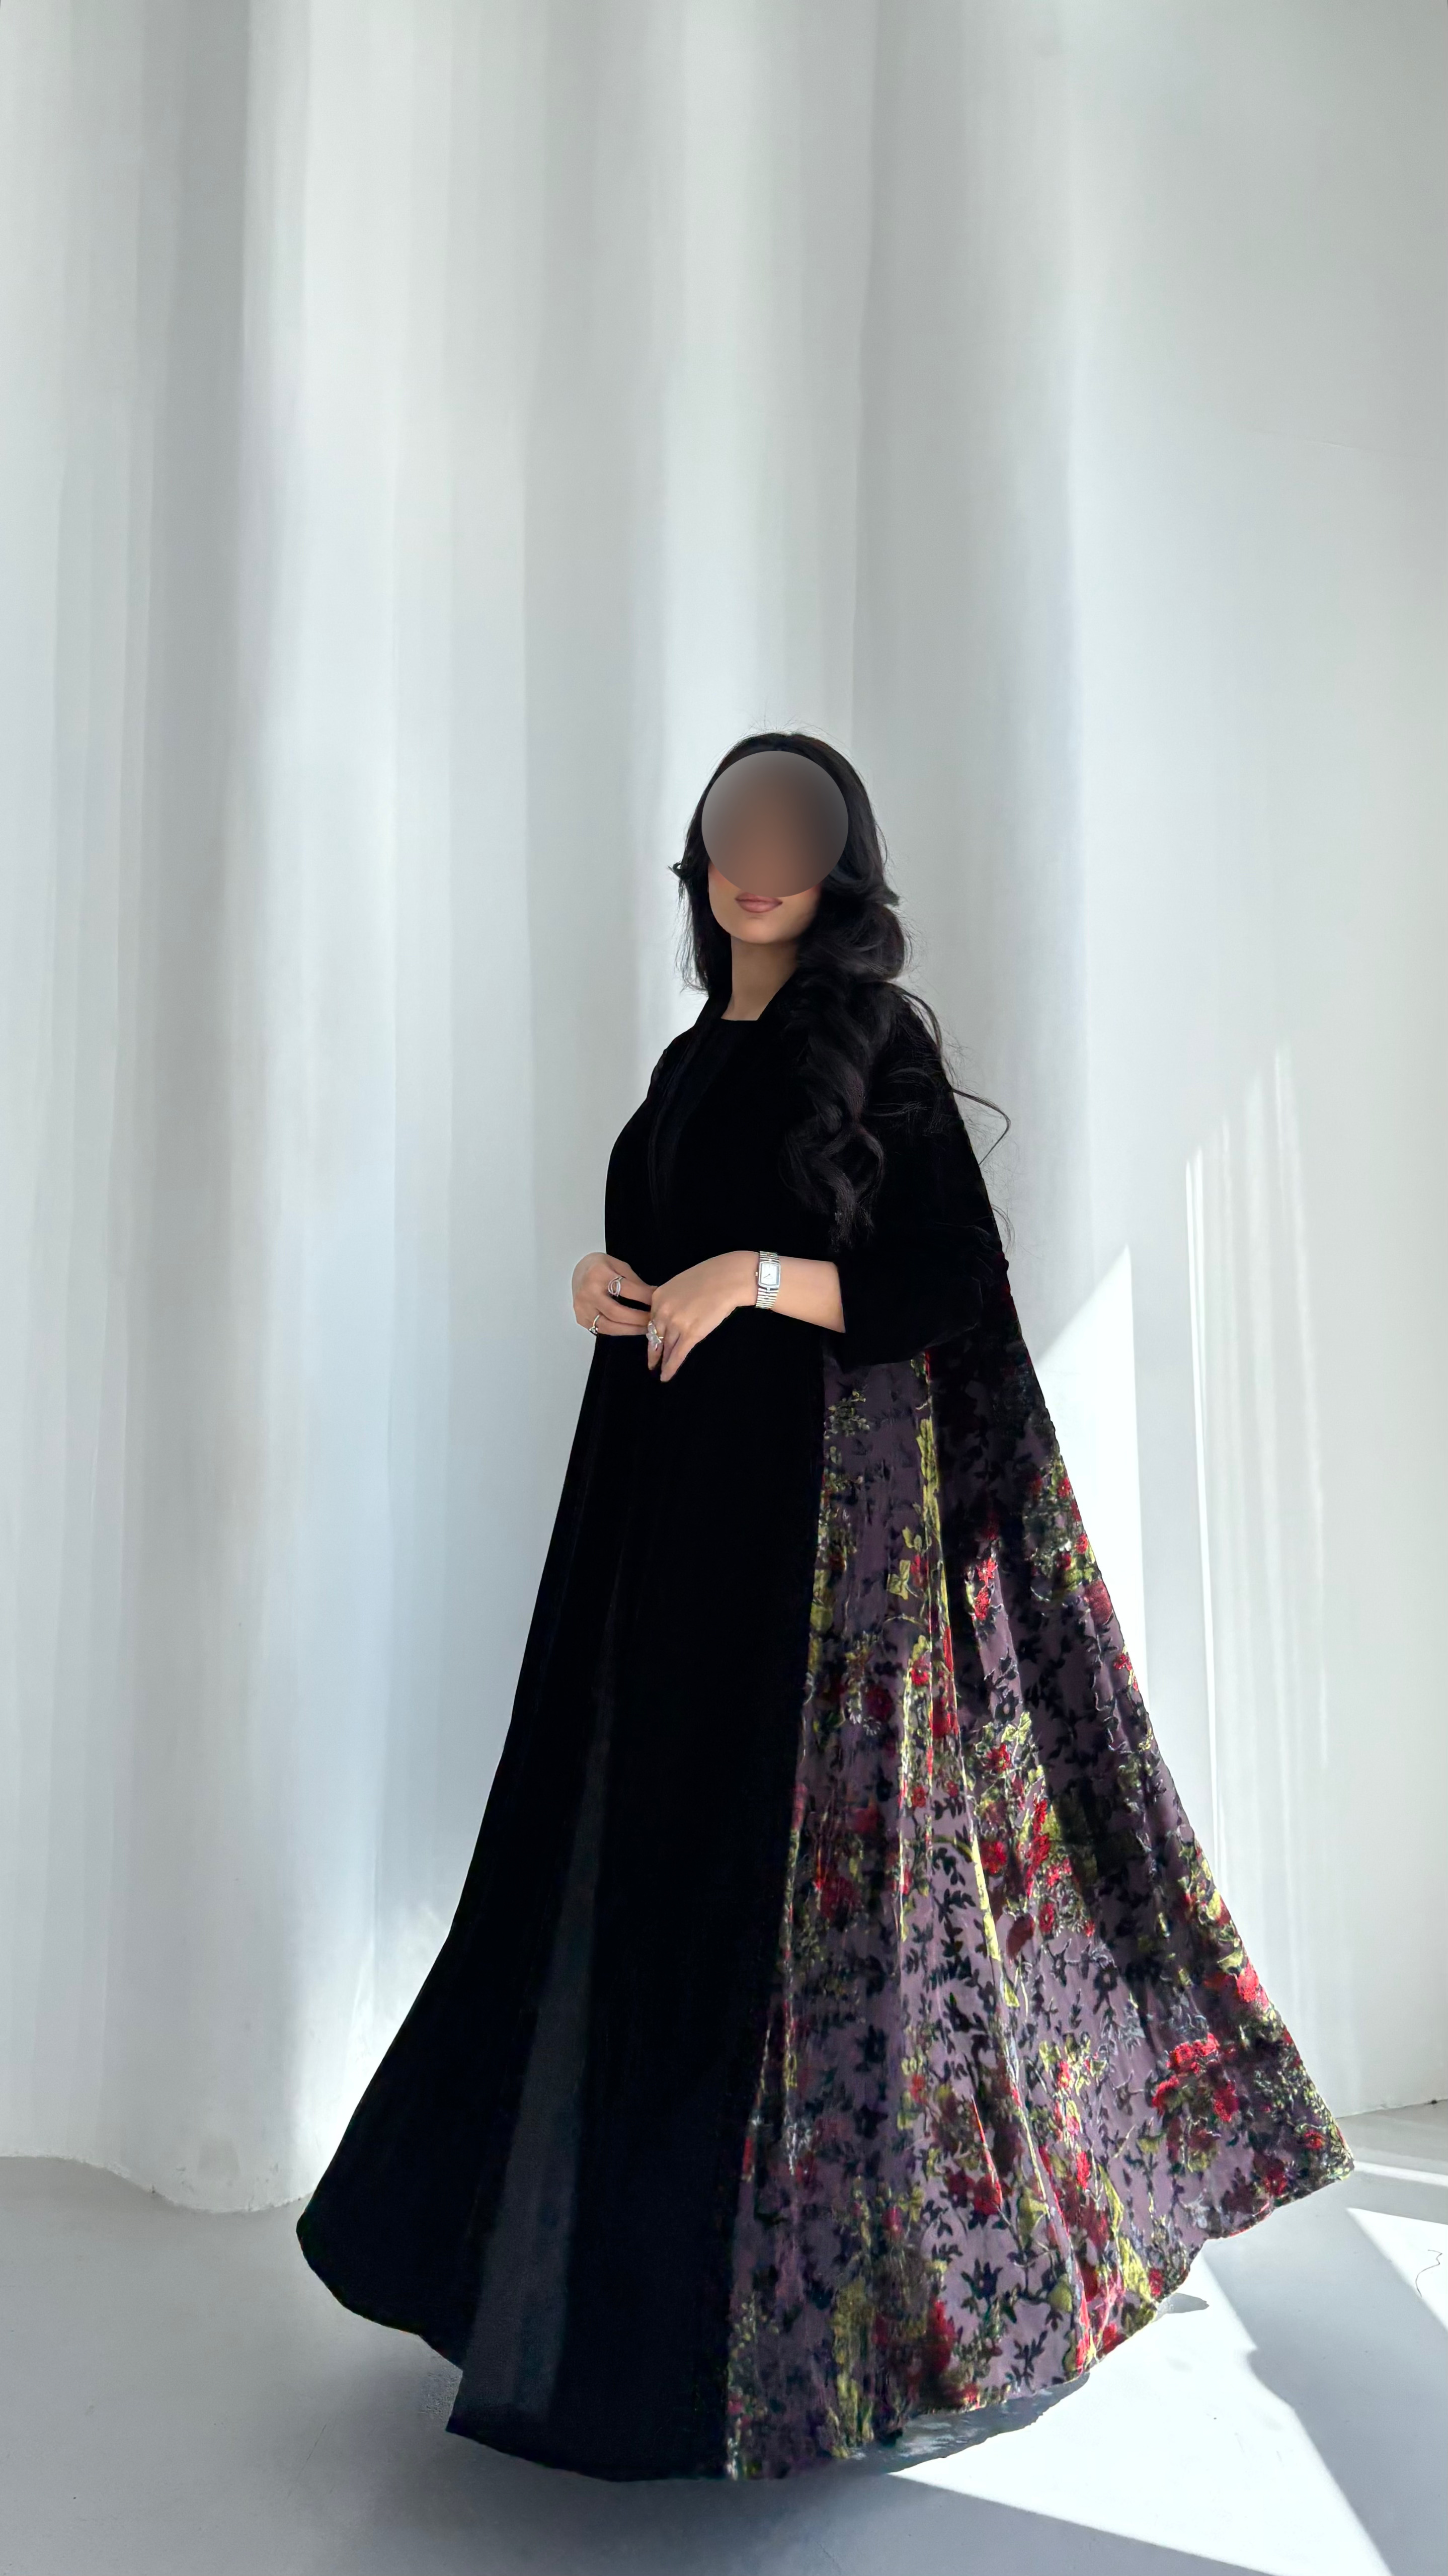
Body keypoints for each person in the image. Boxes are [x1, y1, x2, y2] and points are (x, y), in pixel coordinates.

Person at [296, 730, 1351, 2482]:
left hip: (808, 1552)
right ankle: (617, 2326)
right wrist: (609, 1274)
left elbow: (947, 1281)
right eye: (735, 829)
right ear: (702, 861)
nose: (760, 859)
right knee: (631, 1882)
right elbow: (668, 1251)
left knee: (771, 1910)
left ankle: (786, 2343)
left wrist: (756, 1275)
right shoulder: (687, 1059)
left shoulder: (873, 1044)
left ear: (840, 866)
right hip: (657, 1529)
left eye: (797, 833)